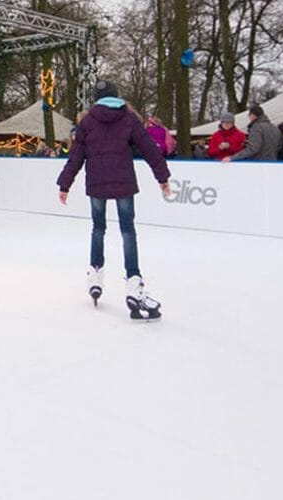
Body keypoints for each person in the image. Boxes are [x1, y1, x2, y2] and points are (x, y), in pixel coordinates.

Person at [56, 80, 171, 320]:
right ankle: (133, 282)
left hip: (97, 184)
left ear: (96, 98)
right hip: (124, 183)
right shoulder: (129, 119)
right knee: (128, 231)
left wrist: (65, 183)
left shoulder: (87, 121)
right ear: (117, 95)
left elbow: (76, 156)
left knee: (98, 228)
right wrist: (163, 177)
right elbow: (149, 148)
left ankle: (95, 273)